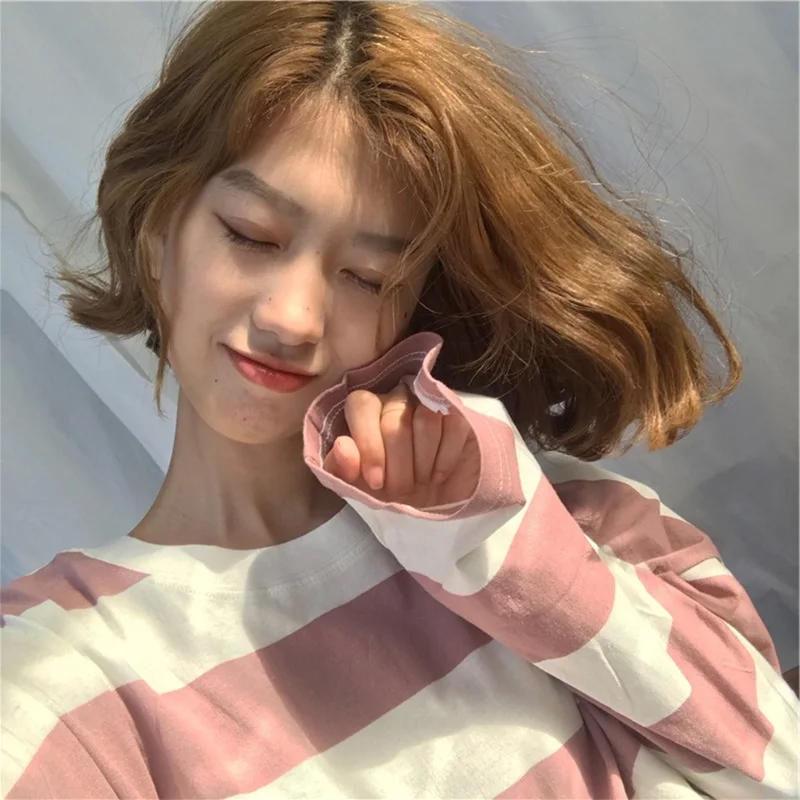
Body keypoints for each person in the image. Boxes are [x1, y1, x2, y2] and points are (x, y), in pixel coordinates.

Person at [2, 2, 797, 797]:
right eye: (250, 234)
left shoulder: (579, 523)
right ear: (156, 235)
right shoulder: (63, 673)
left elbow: (775, 768)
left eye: (367, 277)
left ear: (411, 308)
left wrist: (494, 547)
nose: (293, 317)